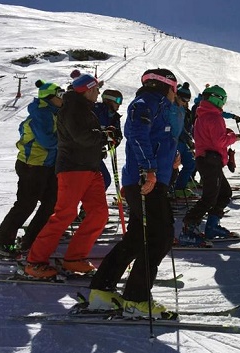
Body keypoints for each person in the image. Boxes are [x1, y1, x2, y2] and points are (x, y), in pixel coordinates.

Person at [88, 68, 180, 318]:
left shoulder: (156, 103)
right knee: (161, 236)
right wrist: (149, 168)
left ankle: (102, 290)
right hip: (146, 181)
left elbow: (157, 137)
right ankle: (136, 299)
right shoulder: (148, 101)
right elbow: (136, 134)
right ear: (167, 86)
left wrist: (173, 155)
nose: (176, 93)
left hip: (144, 179)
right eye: (175, 87)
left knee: (138, 238)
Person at [25, 73, 114, 279]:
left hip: (90, 167)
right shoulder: (73, 107)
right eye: (96, 89)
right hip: (74, 168)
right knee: (64, 214)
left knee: (99, 213)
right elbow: (81, 136)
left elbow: (87, 134)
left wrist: (105, 135)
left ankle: (74, 258)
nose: (98, 93)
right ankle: (35, 261)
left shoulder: (83, 108)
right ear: (88, 90)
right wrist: (103, 136)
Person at [0, 80, 64, 259]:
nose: (63, 98)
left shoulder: (53, 112)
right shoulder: (42, 113)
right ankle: (2, 242)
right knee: (25, 204)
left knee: (51, 203)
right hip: (32, 165)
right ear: (50, 97)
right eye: (60, 95)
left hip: (45, 165)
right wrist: (67, 140)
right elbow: (47, 141)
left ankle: (31, 239)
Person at [178, 85, 240, 247]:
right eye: (224, 100)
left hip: (208, 160)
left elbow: (212, 136)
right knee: (210, 197)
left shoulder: (204, 114)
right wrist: (233, 137)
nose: (224, 104)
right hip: (210, 161)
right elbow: (220, 141)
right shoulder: (214, 117)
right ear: (217, 99)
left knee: (224, 193)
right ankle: (188, 229)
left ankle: (211, 226)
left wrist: (226, 133)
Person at [93, 89, 123, 190]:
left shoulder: (115, 117)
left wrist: (115, 140)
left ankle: (89, 205)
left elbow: (117, 134)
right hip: (86, 154)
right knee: (103, 180)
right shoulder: (96, 110)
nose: (119, 105)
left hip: (96, 155)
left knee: (104, 180)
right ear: (108, 100)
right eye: (118, 101)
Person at [172, 82, 197, 198]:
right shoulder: (169, 108)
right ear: (177, 95)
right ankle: (167, 190)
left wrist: (188, 140)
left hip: (182, 142)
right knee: (171, 168)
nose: (185, 102)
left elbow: (182, 128)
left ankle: (179, 188)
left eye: (187, 100)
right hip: (171, 142)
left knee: (190, 163)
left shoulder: (182, 110)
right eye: (183, 99)